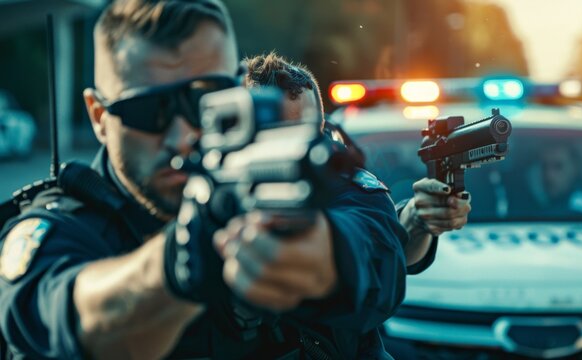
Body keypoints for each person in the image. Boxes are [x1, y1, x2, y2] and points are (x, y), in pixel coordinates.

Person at [0, 1, 408, 359]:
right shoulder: (58, 227)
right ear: (99, 116)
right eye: (148, 111)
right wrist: (176, 264)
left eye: (204, 99)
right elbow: (69, 320)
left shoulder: (281, 172)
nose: (180, 136)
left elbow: (380, 247)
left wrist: (332, 257)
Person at [244, 52, 472, 275]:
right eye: (271, 133)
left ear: (322, 129)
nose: (286, 150)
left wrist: (415, 219)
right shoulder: (214, 191)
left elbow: (381, 255)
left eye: (301, 135)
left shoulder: (357, 195)